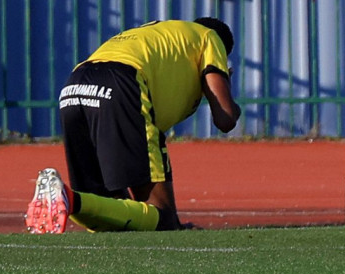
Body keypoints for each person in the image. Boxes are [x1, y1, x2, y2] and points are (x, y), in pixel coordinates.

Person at [24, 18, 241, 233]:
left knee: (108, 212)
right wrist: (224, 81)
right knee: (164, 218)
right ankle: (69, 198)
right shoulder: (209, 36)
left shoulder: (165, 34)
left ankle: (66, 198)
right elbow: (225, 118)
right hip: (122, 81)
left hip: (74, 86)